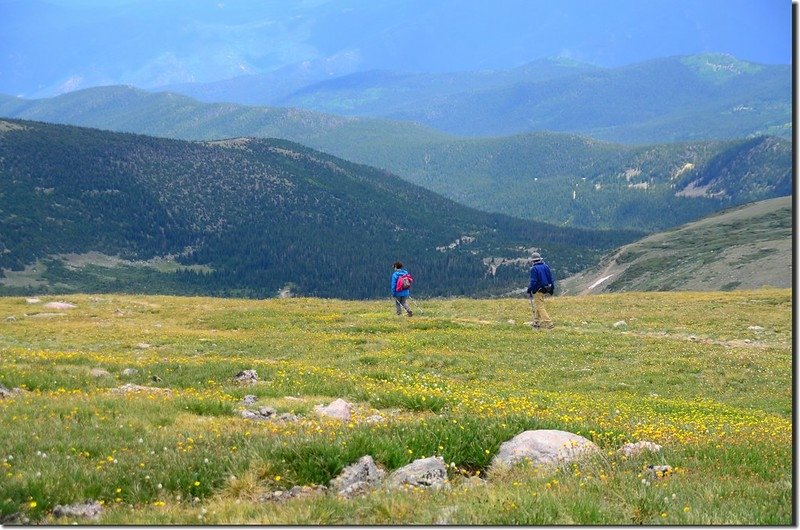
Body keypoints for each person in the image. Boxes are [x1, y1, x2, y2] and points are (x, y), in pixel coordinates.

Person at [526, 252, 554, 329]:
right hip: (545, 289)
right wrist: (551, 288)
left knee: (540, 306)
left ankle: (549, 323)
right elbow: (550, 278)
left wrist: (530, 289)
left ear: (533, 261)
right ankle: (536, 322)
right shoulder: (546, 266)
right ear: (539, 259)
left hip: (538, 289)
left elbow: (533, 281)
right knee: (539, 305)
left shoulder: (534, 269)